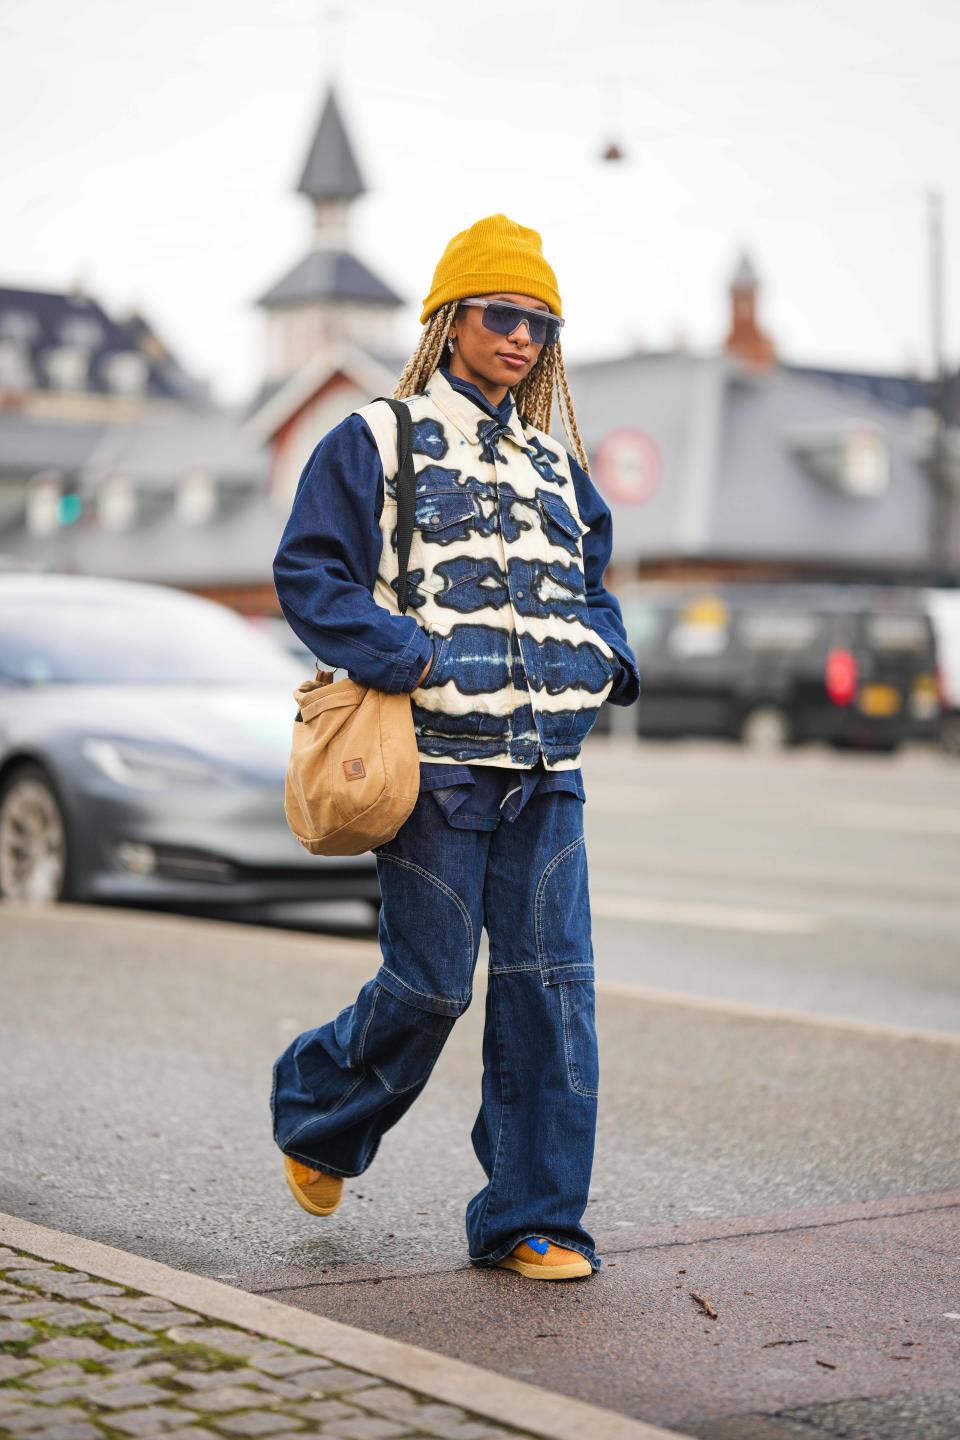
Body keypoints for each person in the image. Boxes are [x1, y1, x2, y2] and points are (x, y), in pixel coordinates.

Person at [270, 213, 640, 1281]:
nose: (523, 338)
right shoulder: (372, 439)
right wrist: (411, 654)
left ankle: (534, 1220)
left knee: (551, 992)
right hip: (431, 767)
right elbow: (311, 575)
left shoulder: (560, 467)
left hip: (547, 774)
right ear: (450, 319)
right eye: (503, 315)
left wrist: (606, 661)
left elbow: (594, 588)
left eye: (541, 323)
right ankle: (319, 1110)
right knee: (431, 988)